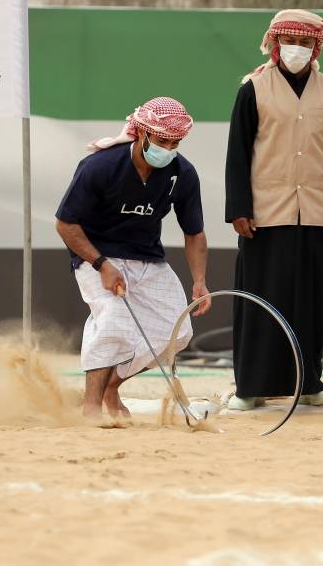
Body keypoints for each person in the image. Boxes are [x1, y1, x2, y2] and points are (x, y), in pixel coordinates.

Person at [224, 9, 323, 410]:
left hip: (317, 212)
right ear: (274, 44)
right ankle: (251, 387)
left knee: (312, 299)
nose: (296, 50)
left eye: (304, 43)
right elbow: (238, 153)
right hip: (266, 214)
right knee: (262, 298)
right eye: (289, 42)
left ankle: (309, 380)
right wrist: (239, 209)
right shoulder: (253, 88)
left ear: (316, 47)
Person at [55, 97, 211, 421]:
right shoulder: (100, 166)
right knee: (112, 321)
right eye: (162, 140)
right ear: (141, 134)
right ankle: (91, 408)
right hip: (97, 256)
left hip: (147, 258)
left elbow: (194, 233)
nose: (168, 148)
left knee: (179, 331)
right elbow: (66, 224)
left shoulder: (183, 174)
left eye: (175, 142)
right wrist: (102, 265)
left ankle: (113, 386)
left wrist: (199, 281)